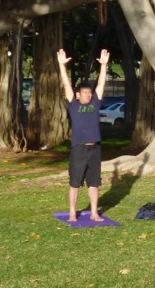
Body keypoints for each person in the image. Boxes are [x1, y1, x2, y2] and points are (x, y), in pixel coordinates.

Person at [58, 48, 109, 222]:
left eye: (89, 92)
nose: (88, 94)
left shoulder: (95, 103)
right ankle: (72, 212)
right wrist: (62, 65)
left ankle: (94, 212)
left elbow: (101, 84)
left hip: (95, 148)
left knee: (94, 183)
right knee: (75, 183)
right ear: (78, 94)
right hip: (79, 149)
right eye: (85, 92)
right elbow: (66, 85)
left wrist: (103, 66)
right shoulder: (73, 104)